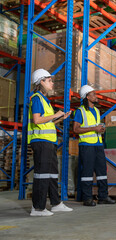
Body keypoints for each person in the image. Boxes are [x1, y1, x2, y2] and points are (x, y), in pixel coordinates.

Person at [28, 69, 73, 217]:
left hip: (49, 142)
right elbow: (37, 120)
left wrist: (61, 118)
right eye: (49, 80)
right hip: (41, 142)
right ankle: (38, 208)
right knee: (42, 175)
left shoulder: (45, 100)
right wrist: (55, 114)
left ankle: (56, 203)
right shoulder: (36, 98)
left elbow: (48, 124)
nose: (52, 83)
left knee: (52, 174)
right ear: (41, 81)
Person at [73, 85, 116, 206]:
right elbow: (76, 129)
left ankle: (103, 196)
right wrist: (93, 128)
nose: (96, 96)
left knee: (102, 171)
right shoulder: (80, 111)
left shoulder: (96, 111)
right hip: (86, 145)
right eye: (93, 94)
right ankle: (87, 198)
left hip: (98, 144)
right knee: (87, 172)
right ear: (87, 97)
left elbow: (96, 126)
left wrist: (100, 129)